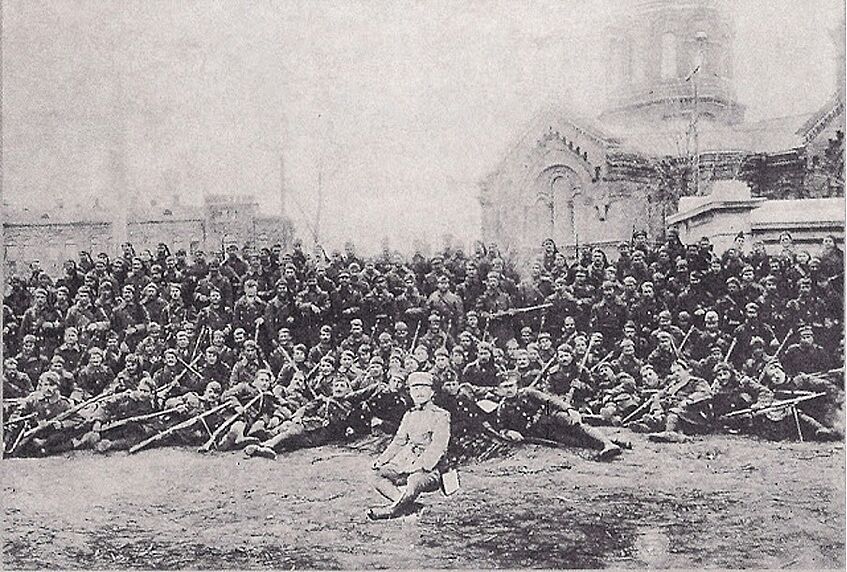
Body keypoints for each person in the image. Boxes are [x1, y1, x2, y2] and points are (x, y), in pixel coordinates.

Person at [368, 371, 450, 520]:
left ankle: (391, 511)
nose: (419, 392)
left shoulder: (441, 415)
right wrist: (381, 460)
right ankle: (408, 505)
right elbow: (399, 441)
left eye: (423, 387)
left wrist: (419, 466)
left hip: (432, 467)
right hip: (407, 462)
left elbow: (438, 447)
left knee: (415, 480)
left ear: (432, 392)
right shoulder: (409, 415)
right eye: (415, 388)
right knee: (376, 475)